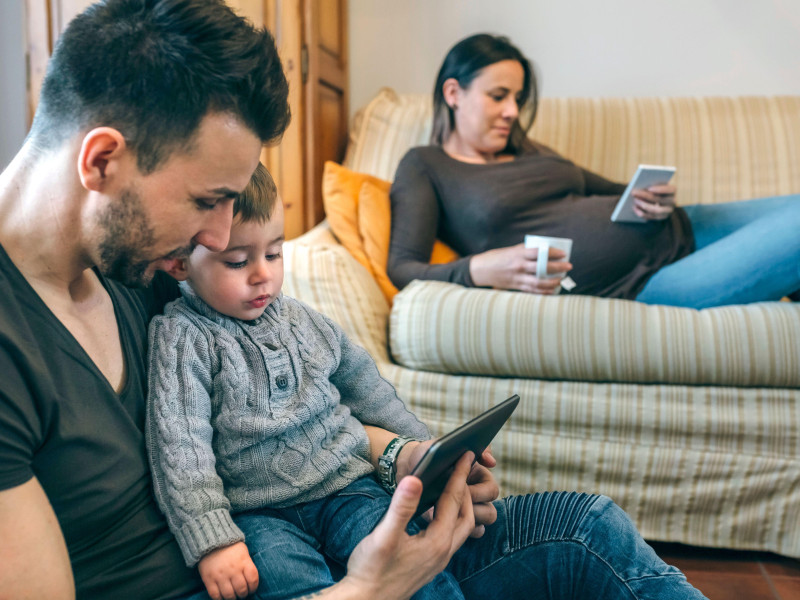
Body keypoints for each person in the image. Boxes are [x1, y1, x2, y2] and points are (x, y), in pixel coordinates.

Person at [0, 0, 706, 597]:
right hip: (288, 576)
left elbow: (287, 405)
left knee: (587, 529)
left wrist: (407, 463)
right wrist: (369, 590)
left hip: (350, 542)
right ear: (101, 160)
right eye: (207, 201)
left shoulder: (143, 262)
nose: (216, 237)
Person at [146, 163, 464, 600]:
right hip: (257, 515)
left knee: (411, 565)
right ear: (181, 262)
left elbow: (366, 387)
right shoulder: (184, 337)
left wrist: (425, 455)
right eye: (238, 261)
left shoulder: (301, 319)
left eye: (274, 254)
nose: (262, 274)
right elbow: (181, 447)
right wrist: (214, 540)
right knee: (283, 583)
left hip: (348, 487)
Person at [387, 33, 800, 309]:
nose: (513, 111)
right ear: (454, 93)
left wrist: (652, 198)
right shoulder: (426, 166)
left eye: (517, 97)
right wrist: (481, 269)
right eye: (499, 96)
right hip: (648, 281)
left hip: (687, 226)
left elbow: (618, 191)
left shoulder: (530, 152)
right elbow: (403, 267)